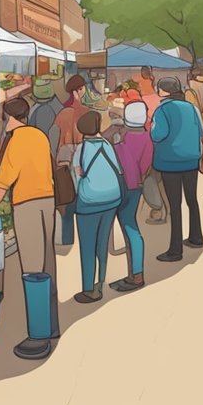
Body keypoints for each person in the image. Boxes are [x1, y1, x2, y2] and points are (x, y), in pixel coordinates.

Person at [0, 97, 60, 360]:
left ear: (8, 117)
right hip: (48, 201)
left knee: (33, 271)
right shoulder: (38, 136)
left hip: (28, 206)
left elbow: (4, 181)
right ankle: (51, 325)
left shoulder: (16, 141)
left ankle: (38, 337)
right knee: (47, 265)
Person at [151, 77, 203, 262]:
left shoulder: (162, 110)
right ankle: (196, 237)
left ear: (165, 91)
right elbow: (202, 132)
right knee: (192, 199)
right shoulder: (192, 108)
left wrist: (151, 127)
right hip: (191, 160)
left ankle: (175, 251)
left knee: (175, 205)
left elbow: (158, 135)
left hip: (170, 162)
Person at [71, 112, 122, 304]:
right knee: (102, 244)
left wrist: (80, 192)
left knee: (87, 246)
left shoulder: (81, 149)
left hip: (90, 201)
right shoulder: (107, 145)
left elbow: (77, 175)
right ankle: (100, 282)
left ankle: (88, 288)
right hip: (111, 198)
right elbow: (117, 168)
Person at [110, 100, 152, 292]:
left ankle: (132, 276)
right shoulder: (148, 139)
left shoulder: (120, 137)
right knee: (131, 227)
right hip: (136, 186)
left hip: (118, 185)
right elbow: (146, 165)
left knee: (120, 228)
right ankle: (137, 272)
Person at [54, 74, 91, 245]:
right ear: (79, 90)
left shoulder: (63, 113)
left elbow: (55, 137)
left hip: (63, 155)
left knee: (66, 197)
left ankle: (67, 238)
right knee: (83, 196)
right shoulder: (86, 112)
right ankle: (85, 238)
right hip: (82, 154)